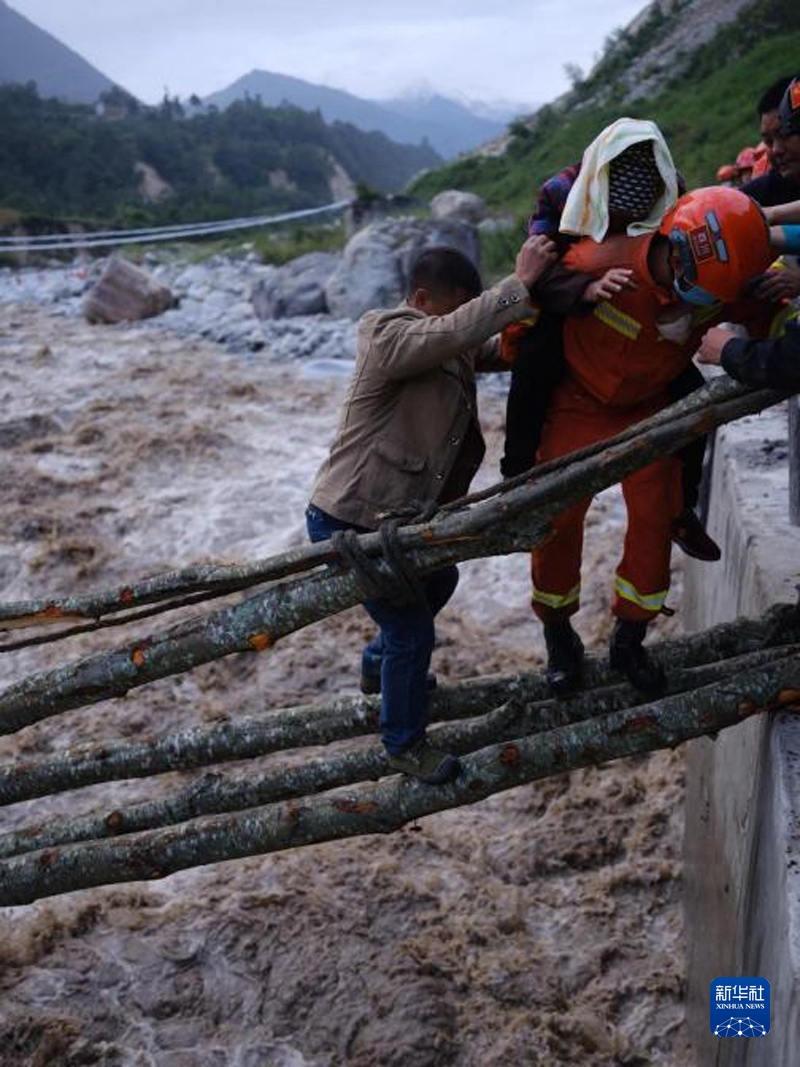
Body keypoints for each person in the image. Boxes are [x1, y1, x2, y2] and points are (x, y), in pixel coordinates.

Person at [306, 238, 558, 785]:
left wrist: (536, 311)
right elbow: (454, 333)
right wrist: (516, 285)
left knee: (440, 579)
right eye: (454, 307)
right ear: (421, 299)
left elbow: (486, 346)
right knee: (411, 631)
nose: (458, 321)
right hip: (351, 517)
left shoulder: (445, 342)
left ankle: (378, 665)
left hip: (392, 518)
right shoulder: (385, 333)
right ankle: (403, 744)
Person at [529, 187, 775, 698]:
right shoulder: (597, 262)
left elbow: (764, 312)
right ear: (675, 252)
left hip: (649, 406)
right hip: (577, 400)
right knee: (557, 520)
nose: (702, 304)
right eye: (702, 292)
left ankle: (630, 637)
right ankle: (558, 634)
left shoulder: (720, 283)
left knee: (655, 516)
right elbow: (534, 313)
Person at [501, 119, 720, 562]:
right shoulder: (560, 194)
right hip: (569, 303)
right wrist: (584, 288)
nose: (623, 225)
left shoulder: (673, 191)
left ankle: (683, 509)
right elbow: (536, 271)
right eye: (616, 215)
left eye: (636, 219)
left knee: (696, 400)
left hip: (642, 304)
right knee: (534, 363)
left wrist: (683, 304)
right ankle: (515, 483)